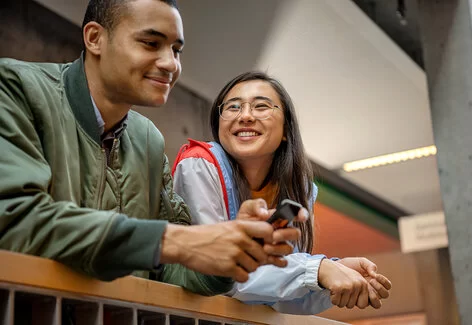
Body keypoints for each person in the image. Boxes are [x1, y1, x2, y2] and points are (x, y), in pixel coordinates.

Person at [0, 0, 302, 296]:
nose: (171, 63)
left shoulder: (148, 138)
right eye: (150, 43)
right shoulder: (15, 87)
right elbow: (13, 220)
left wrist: (231, 252)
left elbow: (168, 269)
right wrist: (177, 241)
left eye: (176, 50)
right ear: (95, 38)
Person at [172, 71, 392, 314]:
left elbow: (278, 298)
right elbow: (218, 274)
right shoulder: (199, 165)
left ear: (286, 130)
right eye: (233, 107)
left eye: (261, 106)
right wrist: (317, 270)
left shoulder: (299, 188)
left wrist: (337, 275)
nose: (245, 116)